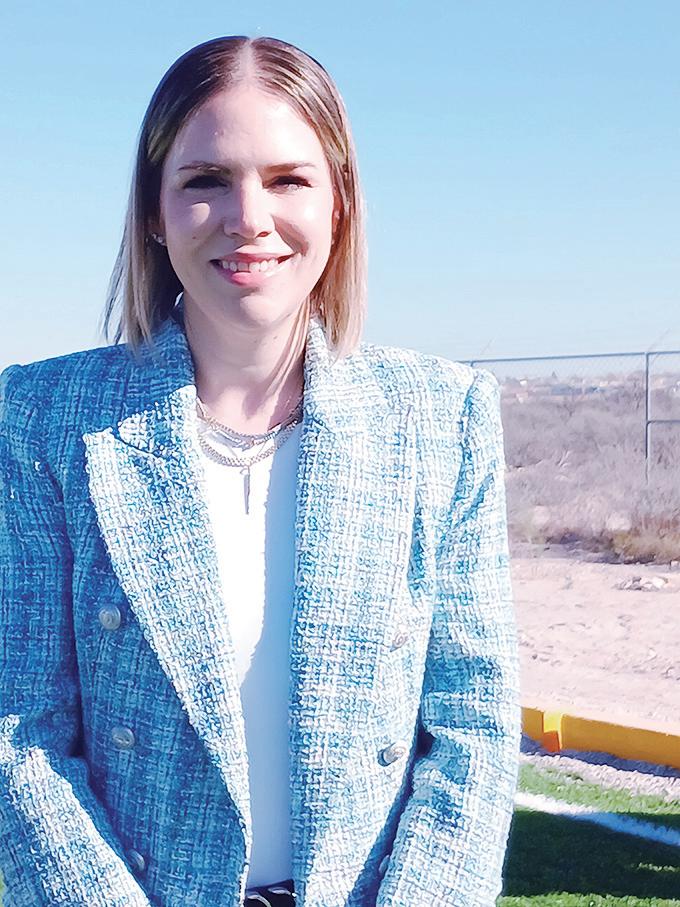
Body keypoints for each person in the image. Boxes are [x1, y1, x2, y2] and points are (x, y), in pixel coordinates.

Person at [0, 35, 521, 907]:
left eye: (287, 179)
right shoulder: (42, 418)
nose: (248, 216)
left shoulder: (444, 418)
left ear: (339, 202)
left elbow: (474, 723)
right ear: (155, 211)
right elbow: (20, 732)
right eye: (206, 179)